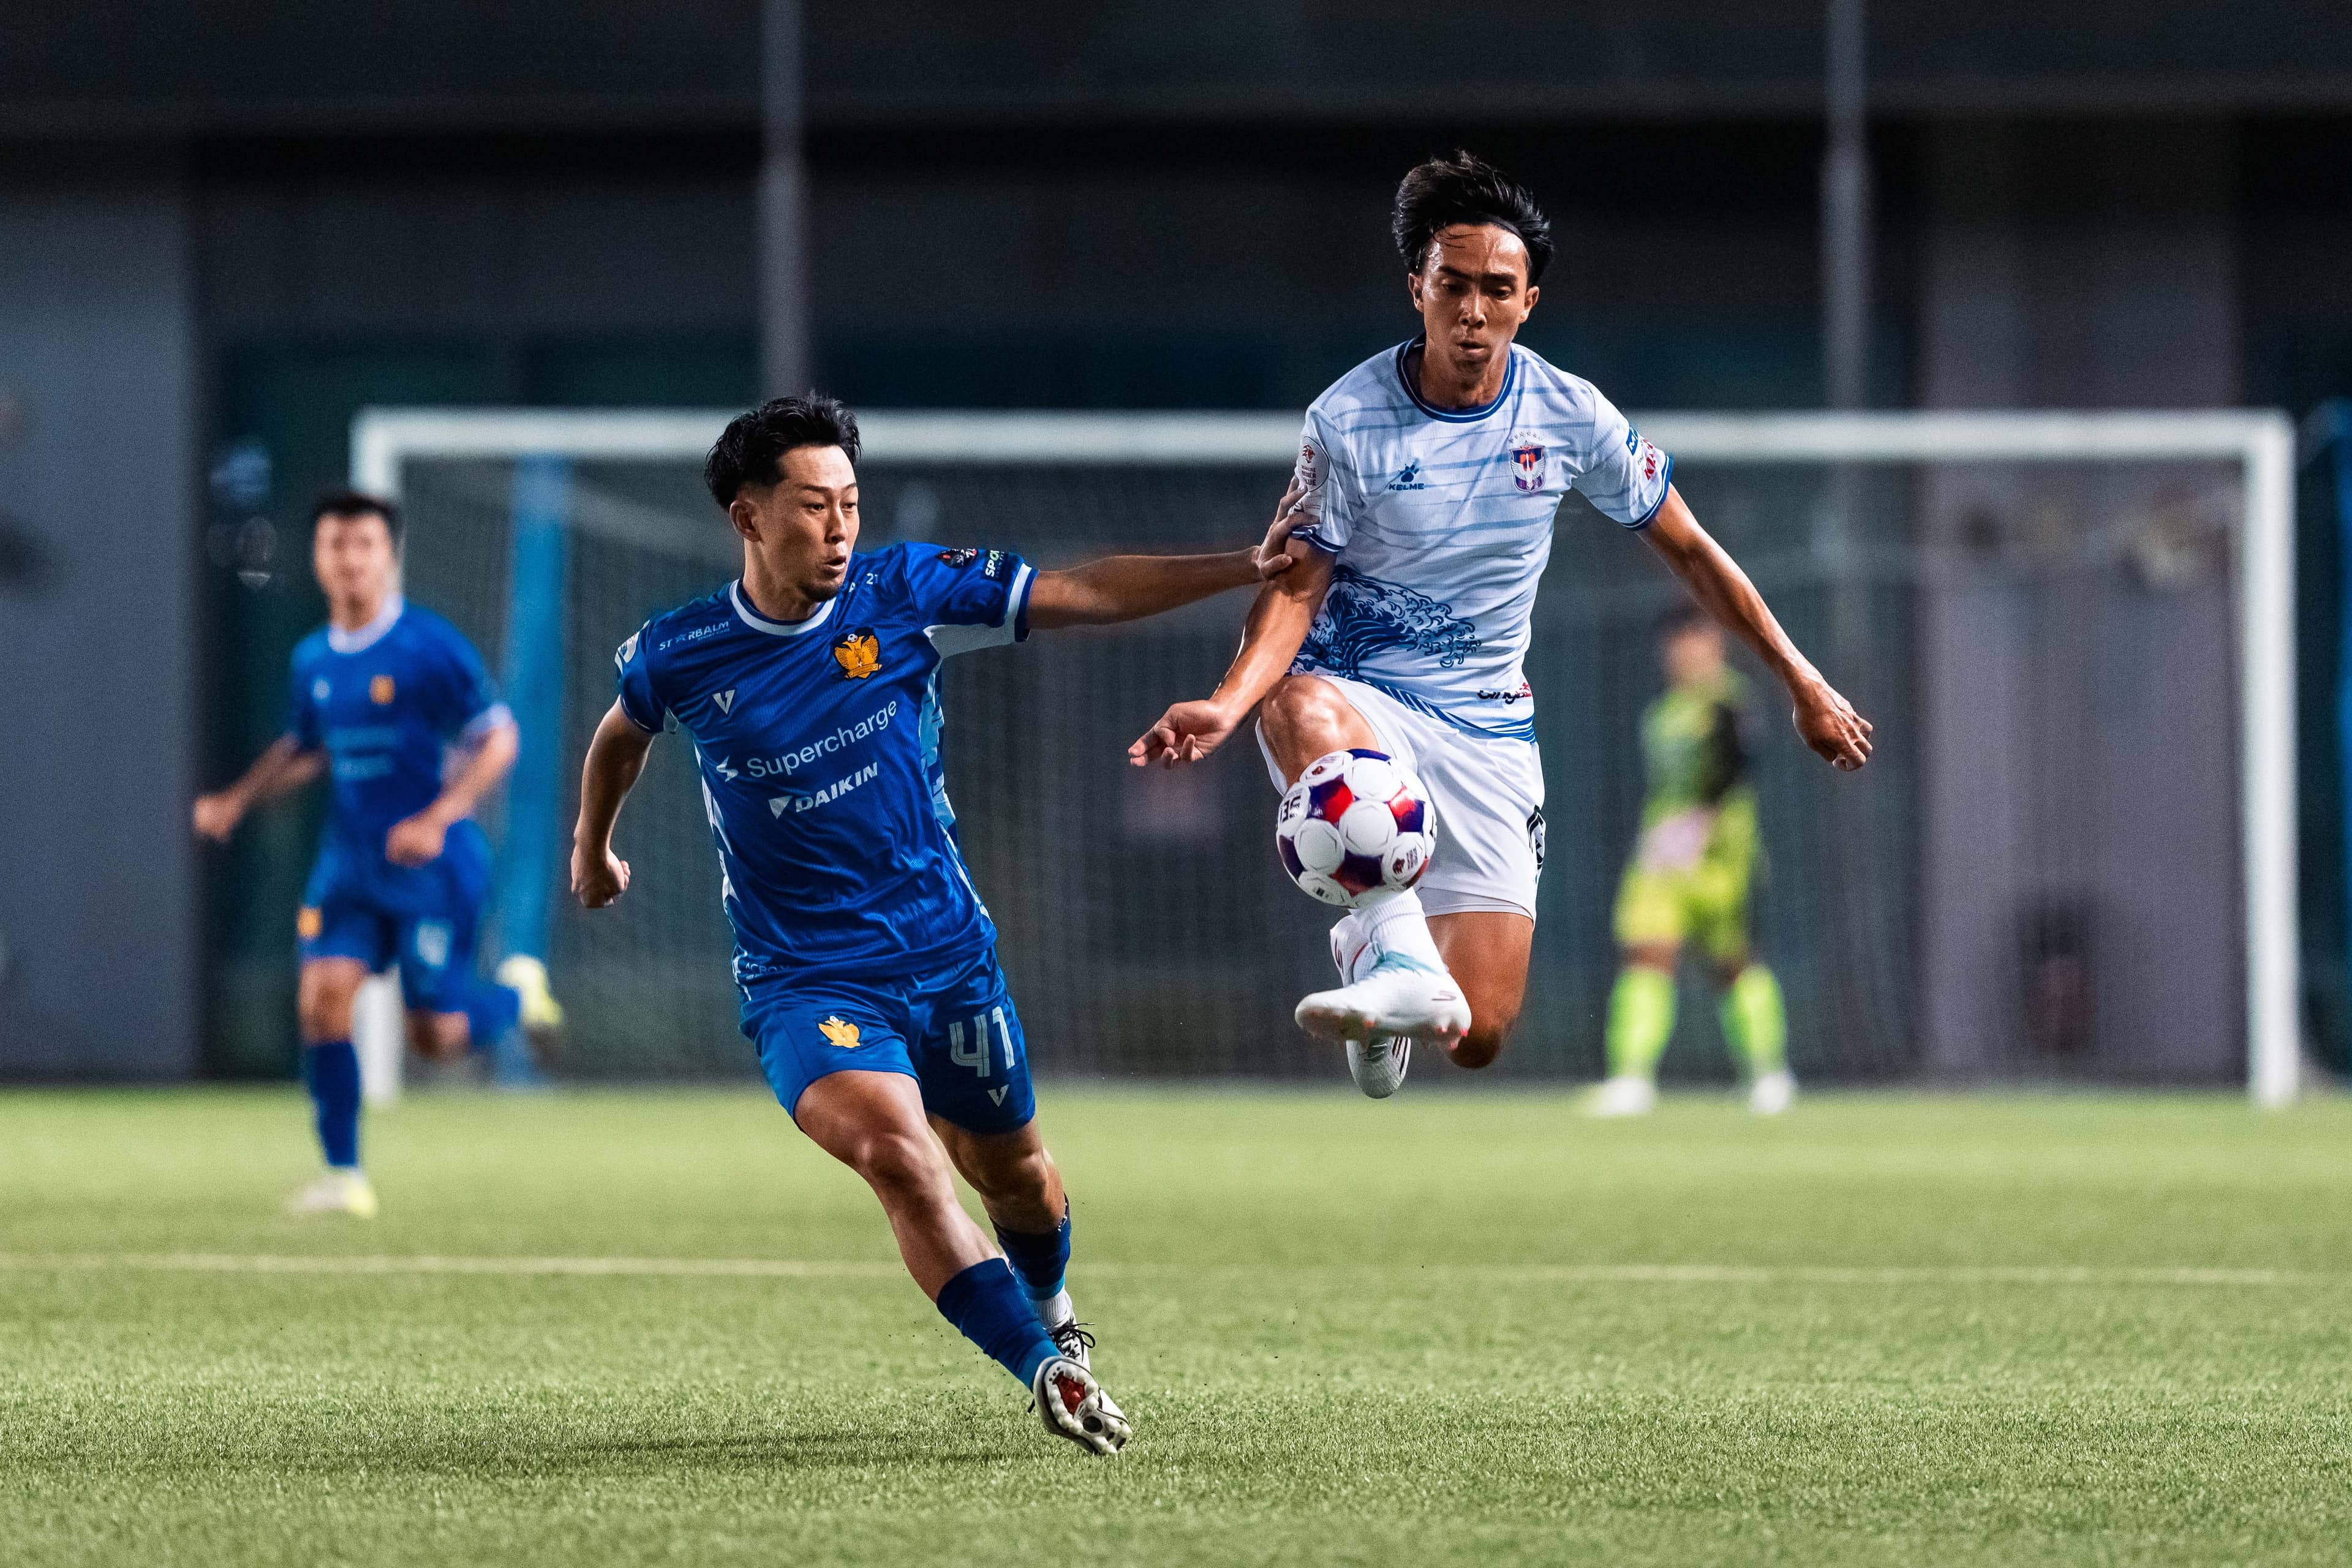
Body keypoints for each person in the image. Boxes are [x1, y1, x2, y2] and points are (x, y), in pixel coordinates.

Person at [570, 394, 1281, 1455]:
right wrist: (593, 850)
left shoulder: (902, 592)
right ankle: (1044, 1372)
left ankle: (1058, 1323)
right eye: (814, 507)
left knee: (1022, 1180)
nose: (840, 527)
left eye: (851, 503)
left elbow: (1081, 586)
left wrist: (1248, 565)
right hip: (806, 982)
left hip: (946, 960)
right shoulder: (684, 651)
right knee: (903, 1159)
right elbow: (620, 737)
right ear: (747, 518)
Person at [1130, 151, 1872, 1098]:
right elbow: (1295, 584)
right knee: (1299, 703)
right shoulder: (1346, 418)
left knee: (1479, 1032)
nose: (1471, 312)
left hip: (1486, 727)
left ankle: (1375, 964)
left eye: (1495, 290)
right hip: (1365, 699)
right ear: (1417, 288)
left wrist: (1801, 679)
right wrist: (1230, 704)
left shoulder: (1570, 416)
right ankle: (1394, 958)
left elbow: (1691, 551)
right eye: (1452, 286)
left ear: (1529, 302)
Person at [194, 491, 564, 1218]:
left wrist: (439, 815)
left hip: (435, 869)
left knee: (438, 1037)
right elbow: (307, 748)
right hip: (351, 867)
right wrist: (238, 798)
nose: (349, 560)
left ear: (388, 557)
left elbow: (500, 738)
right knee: (321, 999)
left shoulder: (430, 647)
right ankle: (343, 1175)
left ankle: (518, 995)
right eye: (335, 545)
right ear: (318, 559)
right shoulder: (312, 659)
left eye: (364, 545)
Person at [1590, 606, 1793, 1117]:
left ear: (1716, 645)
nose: (1686, 654)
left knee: (1734, 965)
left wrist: (1704, 820)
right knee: (1646, 954)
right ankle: (1631, 1079)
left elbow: (1740, 761)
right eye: (1677, 645)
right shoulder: (1661, 714)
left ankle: (1769, 1075)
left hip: (1723, 857)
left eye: (1697, 642)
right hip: (1662, 859)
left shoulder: (1729, 700)